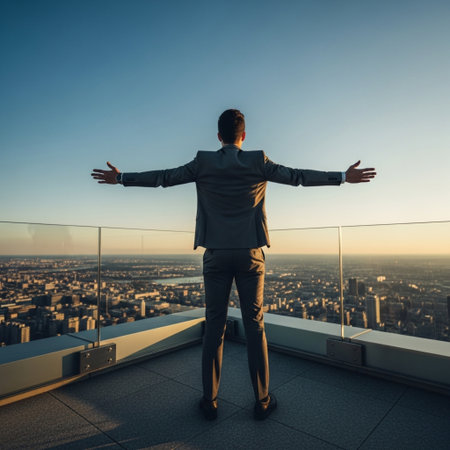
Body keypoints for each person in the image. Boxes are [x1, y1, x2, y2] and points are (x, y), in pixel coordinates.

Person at [91, 109, 376, 421]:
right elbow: (297, 177)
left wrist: (121, 178)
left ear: (218, 137)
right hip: (250, 254)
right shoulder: (258, 160)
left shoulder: (203, 161)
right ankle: (263, 400)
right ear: (244, 136)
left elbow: (163, 178)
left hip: (215, 253)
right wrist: (341, 177)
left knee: (214, 325)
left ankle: (210, 401)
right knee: (255, 325)